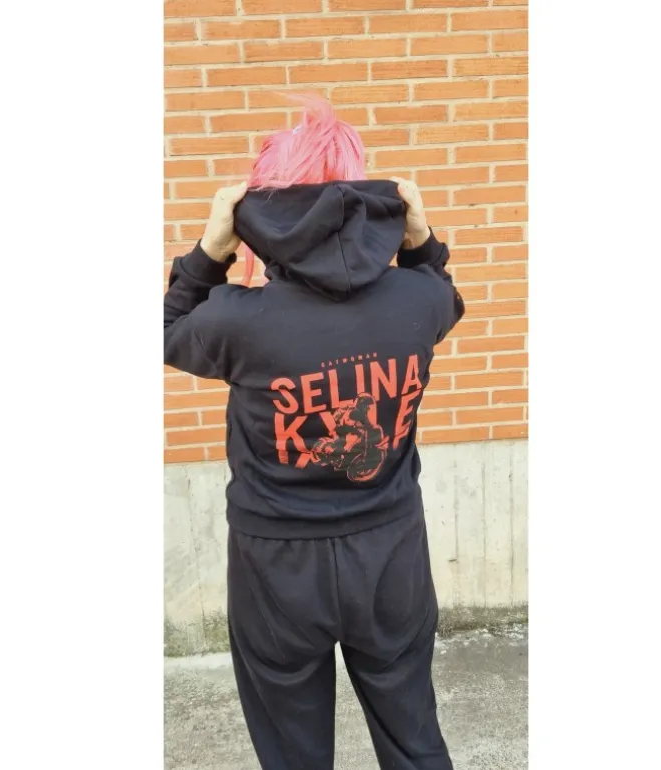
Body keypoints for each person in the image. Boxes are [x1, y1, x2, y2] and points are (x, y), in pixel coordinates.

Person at [164, 96, 464, 770]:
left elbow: (165, 330)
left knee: (293, 754)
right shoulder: (418, 301)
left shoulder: (236, 319)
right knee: (414, 740)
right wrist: (420, 238)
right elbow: (441, 287)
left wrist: (210, 250)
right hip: (390, 553)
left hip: (276, 567)